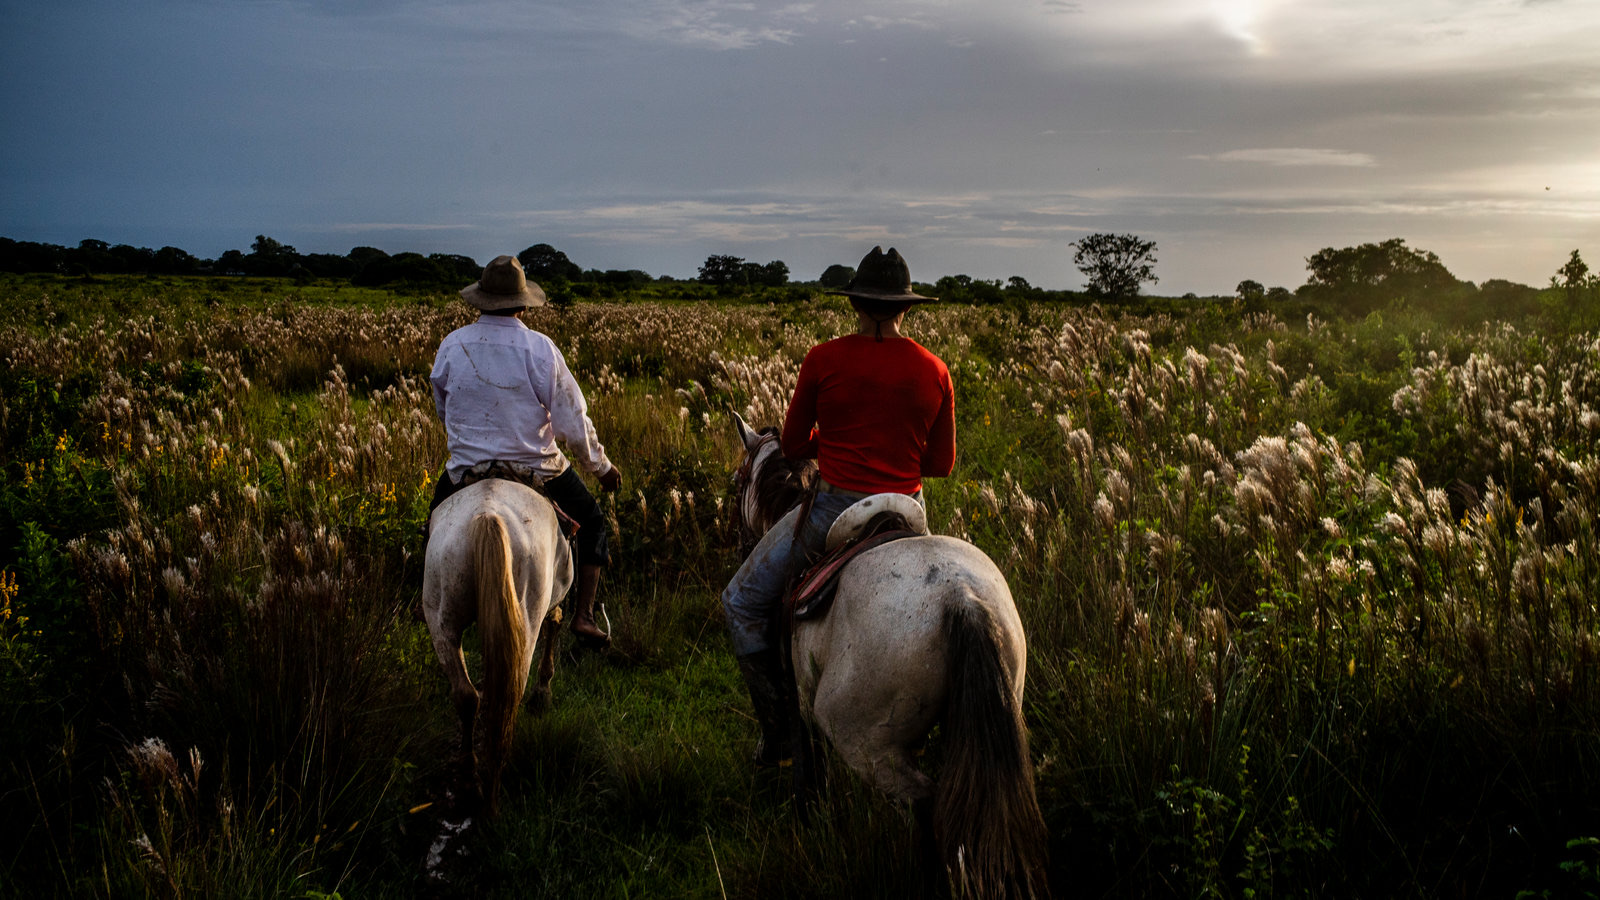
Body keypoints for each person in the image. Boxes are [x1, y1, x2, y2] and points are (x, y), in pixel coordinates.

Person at [721, 246, 955, 766]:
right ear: (906, 307)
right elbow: (941, 465)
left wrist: (835, 441)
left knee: (739, 601)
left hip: (834, 510)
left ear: (855, 304)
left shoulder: (823, 359)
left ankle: (780, 737)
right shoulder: (935, 370)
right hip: (908, 512)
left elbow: (793, 444)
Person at [428, 254, 622, 648]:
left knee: (434, 519)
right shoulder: (540, 349)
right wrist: (600, 467)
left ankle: (428, 598)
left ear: (480, 301)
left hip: (467, 468)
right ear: (521, 303)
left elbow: (443, 407)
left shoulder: (452, 344)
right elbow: (571, 421)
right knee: (593, 520)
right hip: (538, 467)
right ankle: (583, 616)